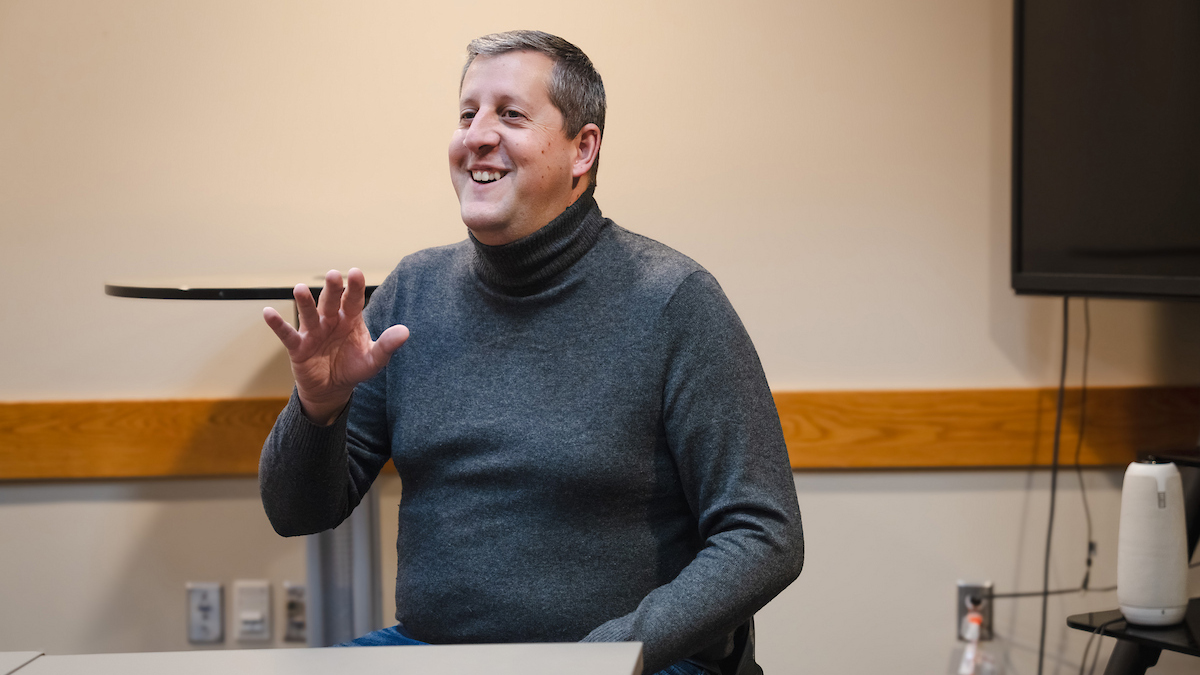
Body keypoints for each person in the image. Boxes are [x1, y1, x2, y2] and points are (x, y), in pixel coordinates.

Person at [259, 30, 803, 675]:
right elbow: (297, 513)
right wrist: (319, 407)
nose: (477, 136)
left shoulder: (673, 299)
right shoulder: (414, 288)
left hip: (634, 663)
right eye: (467, 114)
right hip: (437, 655)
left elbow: (764, 537)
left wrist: (604, 658)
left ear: (583, 149)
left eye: (510, 114)